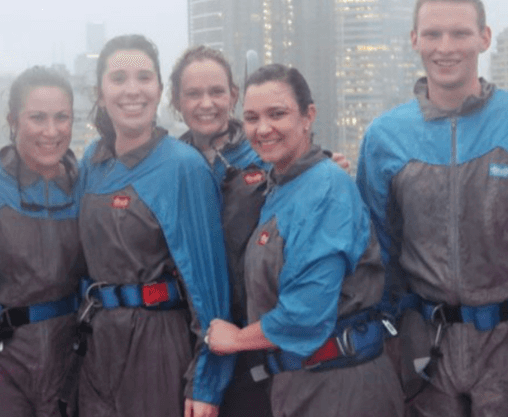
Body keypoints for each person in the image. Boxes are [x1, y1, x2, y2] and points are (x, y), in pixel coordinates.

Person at [356, 0, 508, 415]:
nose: (446, 46)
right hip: (424, 358)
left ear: (484, 37)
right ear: (414, 41)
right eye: (432, 34)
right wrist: (386, 349)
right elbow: (377, 257)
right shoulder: (383, 138)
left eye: (460, 33)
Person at [206, 63, 404, 417]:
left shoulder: (325, 189)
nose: (262, 128)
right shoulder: (281, 186)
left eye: (277, 114)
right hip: (300, 383)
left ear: (308, 116)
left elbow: (306, 315)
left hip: (341, 387)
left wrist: (234, 340)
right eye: (251, 117)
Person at [75, 34, 233, 417]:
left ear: (161, 90)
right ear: (100, 91)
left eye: (144, 78)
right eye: (119, 78)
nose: (133, 90)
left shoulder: (184, 167)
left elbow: (208, 284)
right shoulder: (91, 165)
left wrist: (207, 380)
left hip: (158, 343)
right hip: (98, 345)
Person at [0, 66, 84, 416]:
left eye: (62, 118)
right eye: (37, 118)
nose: (51, 131)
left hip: (71, 366)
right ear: (13, 120)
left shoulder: (87, 184)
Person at [168, 45, 272, 417]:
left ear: (234, 95)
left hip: (255, 336)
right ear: (176, 101)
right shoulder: (167, 165)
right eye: (193, 94)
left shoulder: (266, 155)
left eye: (216, 91)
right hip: (191, 334)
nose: (206, 103)